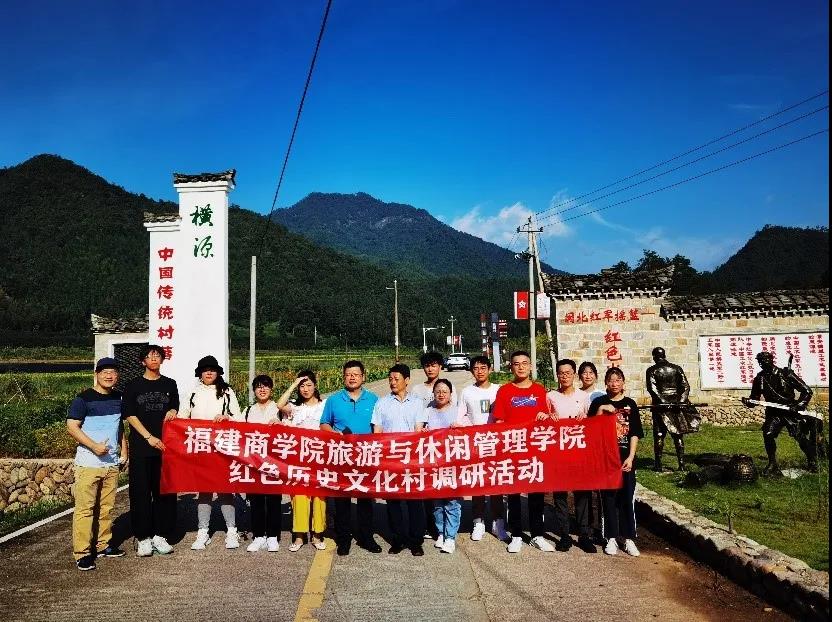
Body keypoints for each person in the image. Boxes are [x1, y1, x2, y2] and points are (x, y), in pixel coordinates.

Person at [66, 357, 128, 570]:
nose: (109, 376)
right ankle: (82, 553)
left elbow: (119, 426)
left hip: (111, 463)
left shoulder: (119, 398)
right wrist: (93, 446)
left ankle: (103, 545)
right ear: (97, 374)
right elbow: (72, 427)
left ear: (117, 376)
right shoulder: (83, 399)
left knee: (106, 508)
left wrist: (124, 450)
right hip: (88, 463)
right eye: (105, 372)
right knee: (85, 509)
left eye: (113, 372)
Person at [179, 355, 243, 550]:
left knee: (225, 490)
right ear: (200, 373)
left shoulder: (227, 392)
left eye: (212, 370)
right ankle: (203, 531)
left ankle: (231, 530)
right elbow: (182, 418)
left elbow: (239, 419)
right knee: (204, 491)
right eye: (205, 370)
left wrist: (226, 417)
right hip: (200, 448)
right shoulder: (192, 392)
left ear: (217, 373)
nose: (209, 373)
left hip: (222, 448)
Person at [492, 350, 554, 554]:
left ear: (530, 366)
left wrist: (545, 416)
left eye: (524, 363)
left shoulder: (539, 390)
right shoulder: (504, 391)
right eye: (516, 363)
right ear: (511, 367)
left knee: (536, 494)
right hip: (513, 448)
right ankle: (517, 535)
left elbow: (547, 416)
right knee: (513, 494)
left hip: (535, 448)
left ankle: (537, 535)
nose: (521, 367)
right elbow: (499, 421)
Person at [320, 360, 382, 556]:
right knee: (342, 500)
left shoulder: (374, 399)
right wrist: (335, 434)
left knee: (365, 500)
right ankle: (343, 539)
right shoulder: (333, 400)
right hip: (341, 456)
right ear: (343, 377)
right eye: (348, 374)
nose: (352, 377)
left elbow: (379, 426)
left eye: (356, 374)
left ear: (363, 376)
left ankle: (366, 537)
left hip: (366, 456)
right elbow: (324, 424)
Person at [123, 344, 180, 557]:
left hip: (166, 448)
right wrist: (149, 437)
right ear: (142, 361)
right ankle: (143, 537)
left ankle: (160, 534)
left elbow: (175, 405)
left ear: (162, 360)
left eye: (157, 355)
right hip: (141, 447)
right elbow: (130, 414)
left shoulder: (170, 383)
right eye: (149, 356)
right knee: (140, 493)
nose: (154, 359)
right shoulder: (133, 385)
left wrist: (173, 410)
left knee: (164, 492)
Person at [372, 363, 428, 556]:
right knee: (393, 502)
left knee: (414, 503)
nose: (393, 382)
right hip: (390, 459)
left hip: (412, 459)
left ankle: (416, 541)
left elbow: (418, 430)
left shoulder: (417, 403)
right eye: (390, 379)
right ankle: (398, 539)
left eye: (396, 379)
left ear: (407, 380)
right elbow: (377, 432)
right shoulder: (382, 403)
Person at [588, 367, 643, 557]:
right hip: (606, 459)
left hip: (626, 458)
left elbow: (635, 433)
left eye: (618, 380)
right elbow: (590, 429)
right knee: (608, 498)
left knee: (627, 498)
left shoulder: (630, 404)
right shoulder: (598, 402)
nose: (614, 383)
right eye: (611, 380)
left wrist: (631, 457)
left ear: (623, 383)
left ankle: (628, 538)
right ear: (605, 383)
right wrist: (601, 410)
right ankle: (610, 537)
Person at [546, 359, 595, 554]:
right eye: (561, 373)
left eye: (568, 373)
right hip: (558, 452)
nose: (565, 376)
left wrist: (586, 419)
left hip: (579, 451)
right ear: (557, 375)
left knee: (582, 494)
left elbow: (593, 423)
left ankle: (584, 535)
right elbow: (542, 420)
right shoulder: (550, 396)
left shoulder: (584, 397)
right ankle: (564, 535)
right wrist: (548, 417)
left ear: (574, 374)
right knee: (560, 495)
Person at [457, 355, 507, 542]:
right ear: (471, 371)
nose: (479, 371)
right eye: (476, 368)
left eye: (483, 367)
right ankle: (478, 522)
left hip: (496, 444)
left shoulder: (499, 390)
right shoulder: (466, 392)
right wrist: (466, 429)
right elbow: (460, 417)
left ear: (490, 369)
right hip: (475, 444)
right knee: (477, 484)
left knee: (496, 484)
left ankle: (498, 522)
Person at [277, 370, 328, 552]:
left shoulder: (325, 405)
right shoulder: (295, 407)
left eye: (308, 385)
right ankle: (299, 536)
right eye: (302, 386)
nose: (305, 389)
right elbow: (279, 404)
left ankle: (317, 534)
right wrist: (293, 384)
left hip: (320, 457)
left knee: (319, 497)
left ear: (315, 385)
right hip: (298, 458)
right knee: (299, 496)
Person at [743, 351, 817, 474]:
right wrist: (749, 402)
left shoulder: (786, 374)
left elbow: (807, 391)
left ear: (771, 360)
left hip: (790, 412)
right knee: (768, 434)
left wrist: (799, 405)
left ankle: (812, 460)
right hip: (773, 413)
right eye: (760, 361)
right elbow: (755, 399)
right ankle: (772, 463)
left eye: (764, 360)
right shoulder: (759, 378)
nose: (762, 363)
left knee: (799, 436)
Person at [242, 374, 282, 553]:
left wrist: (280, 423)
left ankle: (273, 536)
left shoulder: (279, 408)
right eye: (259, 386)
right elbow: (235, 429)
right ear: (254, 390)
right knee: (256, 499)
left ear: (271, 389)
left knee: (274, 499)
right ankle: (258, 535)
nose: (262, 389)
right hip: (253, 462)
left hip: (274, 461)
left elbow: (290, 429)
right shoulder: (248, 410)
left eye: (266, 386)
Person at [645, 346, 699, 471]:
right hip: (675, 405)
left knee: (659, 435)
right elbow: (685, 386)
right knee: (677, 435)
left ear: (654, 357)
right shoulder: (676, 368)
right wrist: (680, 401)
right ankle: (681, 464)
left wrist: (664, 402)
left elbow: (652, 389)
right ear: (664, 355)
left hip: (662, 407)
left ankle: (658, 465)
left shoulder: (651, 370)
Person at [424, 379, 462, 554]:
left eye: (445, 391)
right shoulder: (427, 411)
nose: (441, 394)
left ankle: (450, 537)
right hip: (433, 464)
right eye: (438, 391)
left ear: (450, 394)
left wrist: (460, 428)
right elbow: (420, 432)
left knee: (452, 502)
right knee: (437, 503)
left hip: (452, 464)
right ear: (433, 393)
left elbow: (468, 434)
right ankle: (441, 532)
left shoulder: (457, 412)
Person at [578, 360, 605, 544]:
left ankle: (601, 527)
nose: (587, 376)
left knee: (601, 490)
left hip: (598, 447)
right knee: (583, 489)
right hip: (580, 446)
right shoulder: (576, 395)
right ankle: (584, 527)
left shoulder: (602, 395)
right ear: (579, 376)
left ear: (596, 375)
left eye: (591, 372)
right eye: (584, 372)